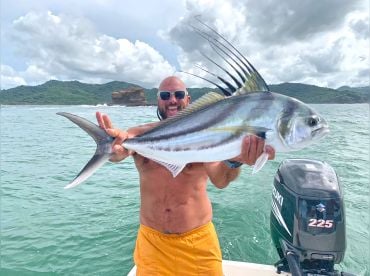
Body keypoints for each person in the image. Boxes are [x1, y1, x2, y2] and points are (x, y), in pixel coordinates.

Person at [96, 76, 275, 275]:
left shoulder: (208, 134)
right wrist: (112, 150)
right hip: (152, 245)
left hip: (198, 244)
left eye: (178, 94)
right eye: (165, 95)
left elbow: (221, 180)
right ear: (158, 100)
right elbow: (120, 151)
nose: (172, 100)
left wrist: (236, 160)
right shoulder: (139, 133)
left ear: (188, 100)